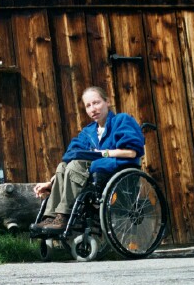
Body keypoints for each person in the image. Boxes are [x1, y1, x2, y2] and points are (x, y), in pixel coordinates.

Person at [31, 86, 144, 233]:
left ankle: (63, 215)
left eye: (96, 103)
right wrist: (51, 182)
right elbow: (71, 157)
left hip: (116, 167)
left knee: (75, 165)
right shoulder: (88, 132)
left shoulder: (121, 120)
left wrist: (103, 153)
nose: (93, 109)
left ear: (107, 102)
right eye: (88, 106)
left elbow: (132, 153)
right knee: (63, 166)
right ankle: (51, 216)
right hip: (88, 170)